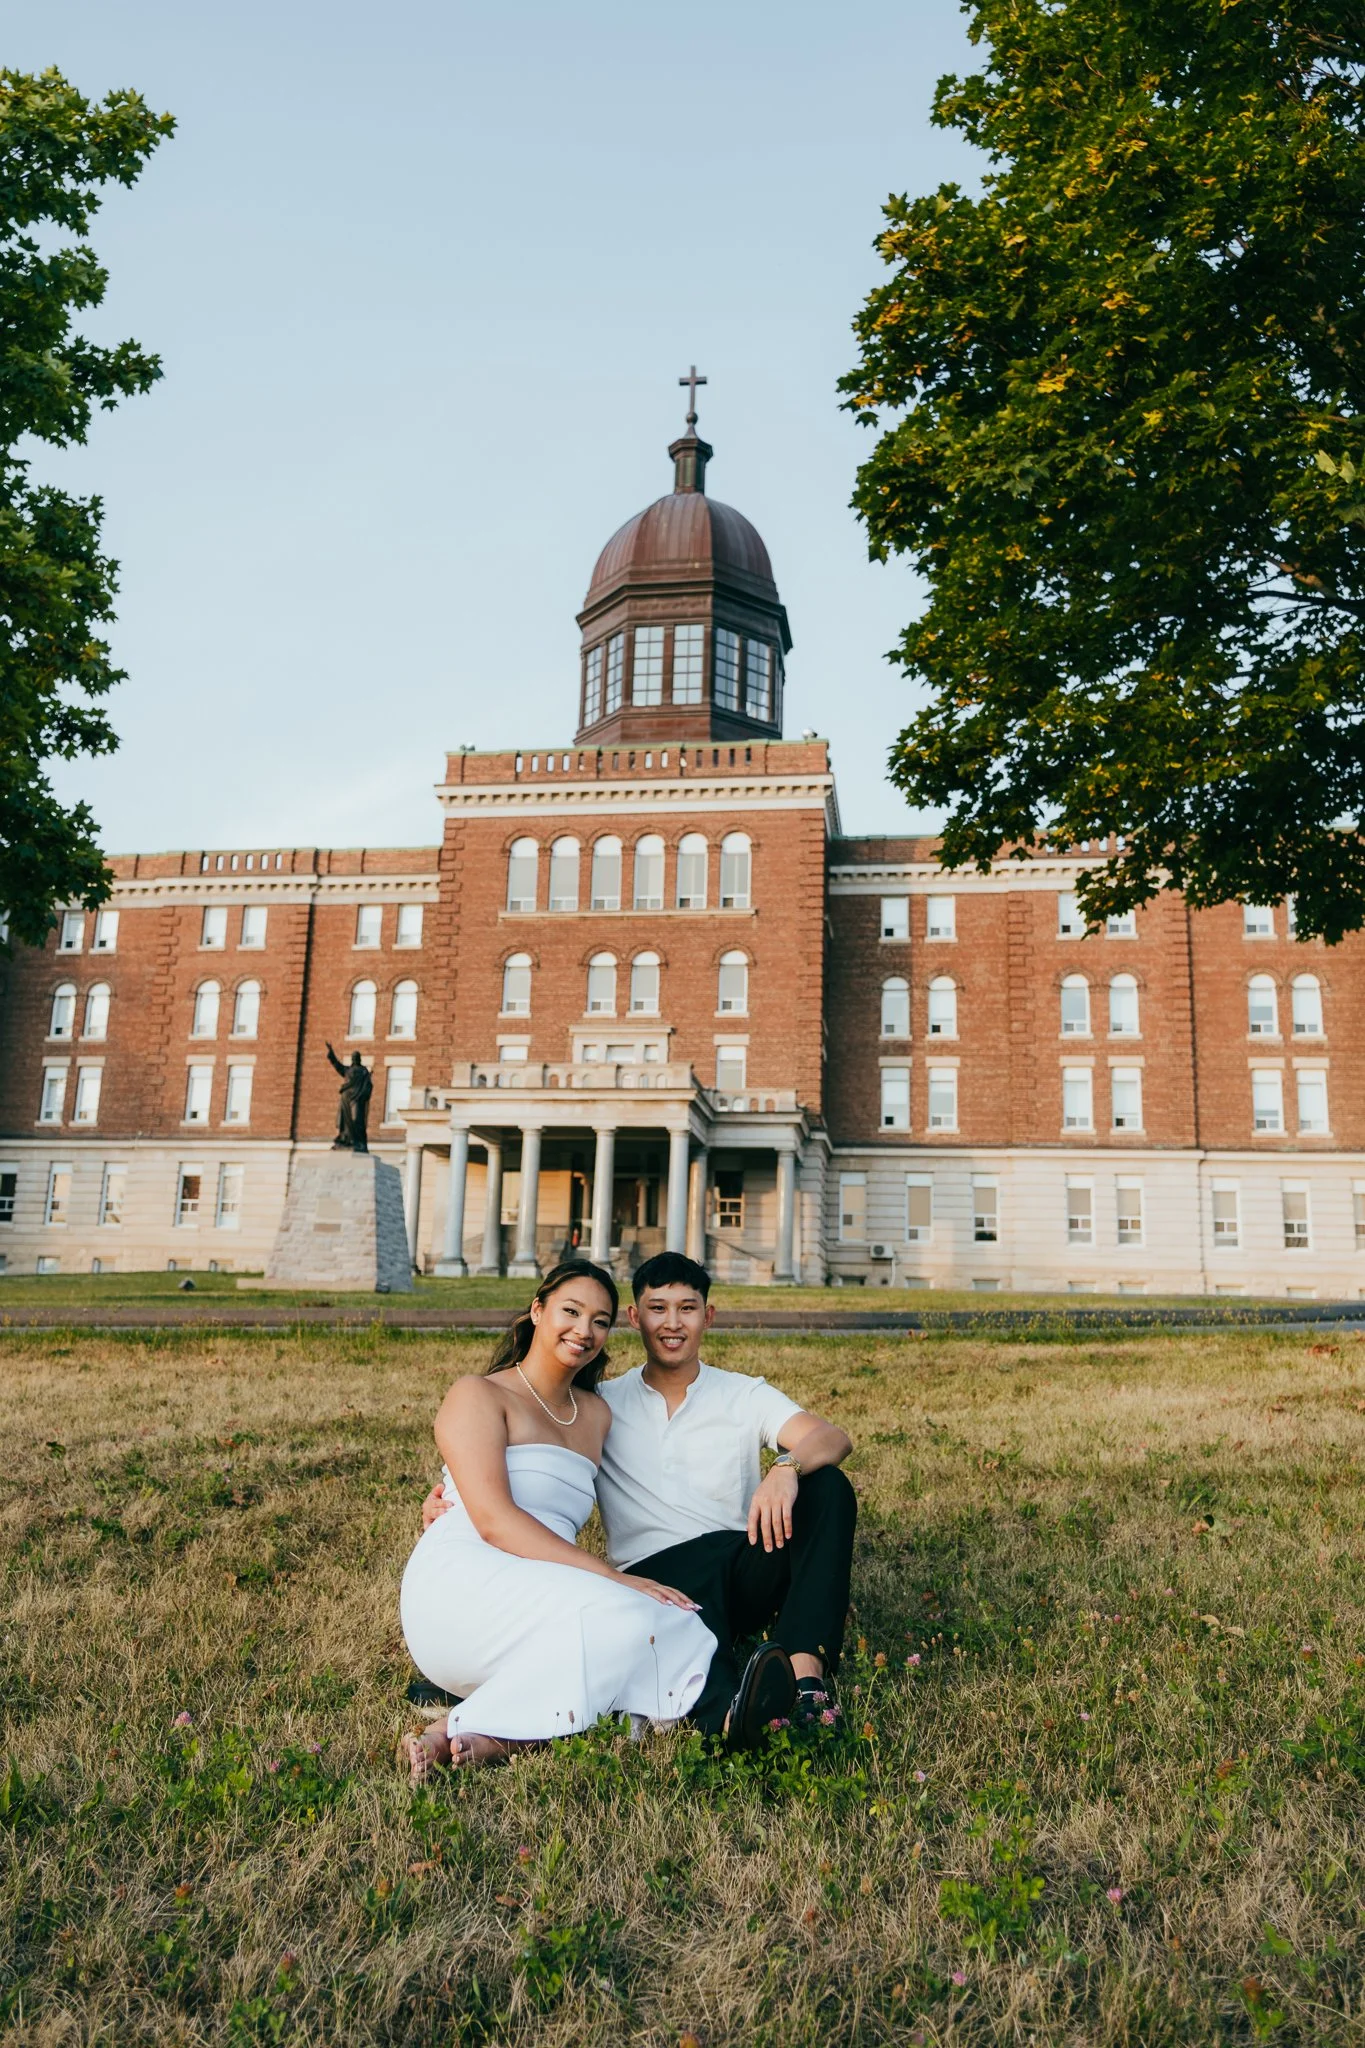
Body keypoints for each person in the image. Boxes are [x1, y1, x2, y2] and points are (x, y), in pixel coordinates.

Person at [422, 1252, 857, 1736]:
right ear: (635, 1319)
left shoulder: (741, 1393)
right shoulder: (602, 1405)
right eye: (657, 1308)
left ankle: (805, 1681)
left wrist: (786, 1466)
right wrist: (449, 1493)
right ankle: (731, 1716)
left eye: (687, 1308)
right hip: (652, 1571)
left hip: (737, 1560)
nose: (673, 1323)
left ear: (707, 1316)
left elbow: (832, 1438)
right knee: (664, 1625)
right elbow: (527, 1456)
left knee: (829, 1488)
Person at [401, 1260, 749, 1780]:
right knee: (631, 1612)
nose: (584, 1331)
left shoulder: (596, 1413)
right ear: (537, 1310)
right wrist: (611, 1575)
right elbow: (494, 1519)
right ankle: (730, 1711)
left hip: (542, 1583)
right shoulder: (478, 1393)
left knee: (656, 1618)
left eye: (601, 1321)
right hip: (463, 1581)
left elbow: (659, 1472)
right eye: (571, 1311)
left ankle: (481, 1731)